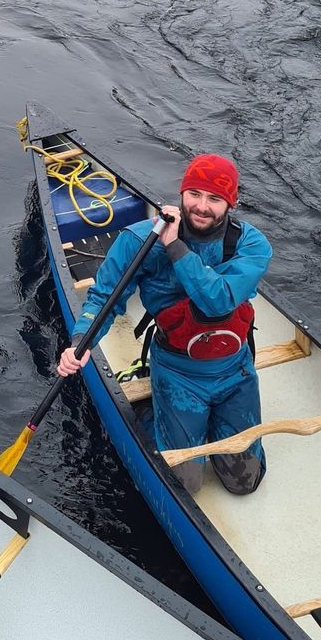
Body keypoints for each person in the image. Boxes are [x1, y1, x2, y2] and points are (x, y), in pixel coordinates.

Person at [57, 154, 272, 496]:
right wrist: (82, 340)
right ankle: (152, 409)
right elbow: (103, 298)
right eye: (195, 194)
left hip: (235, 370)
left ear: (231, 203)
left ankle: (213, 418)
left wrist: (173, 245)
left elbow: (217, 300)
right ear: (182, 193)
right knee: (185, 484)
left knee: (245, 480)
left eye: (215, 198)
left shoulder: (251, 244)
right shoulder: (138, 239)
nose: (202, 207)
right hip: (178, 371)